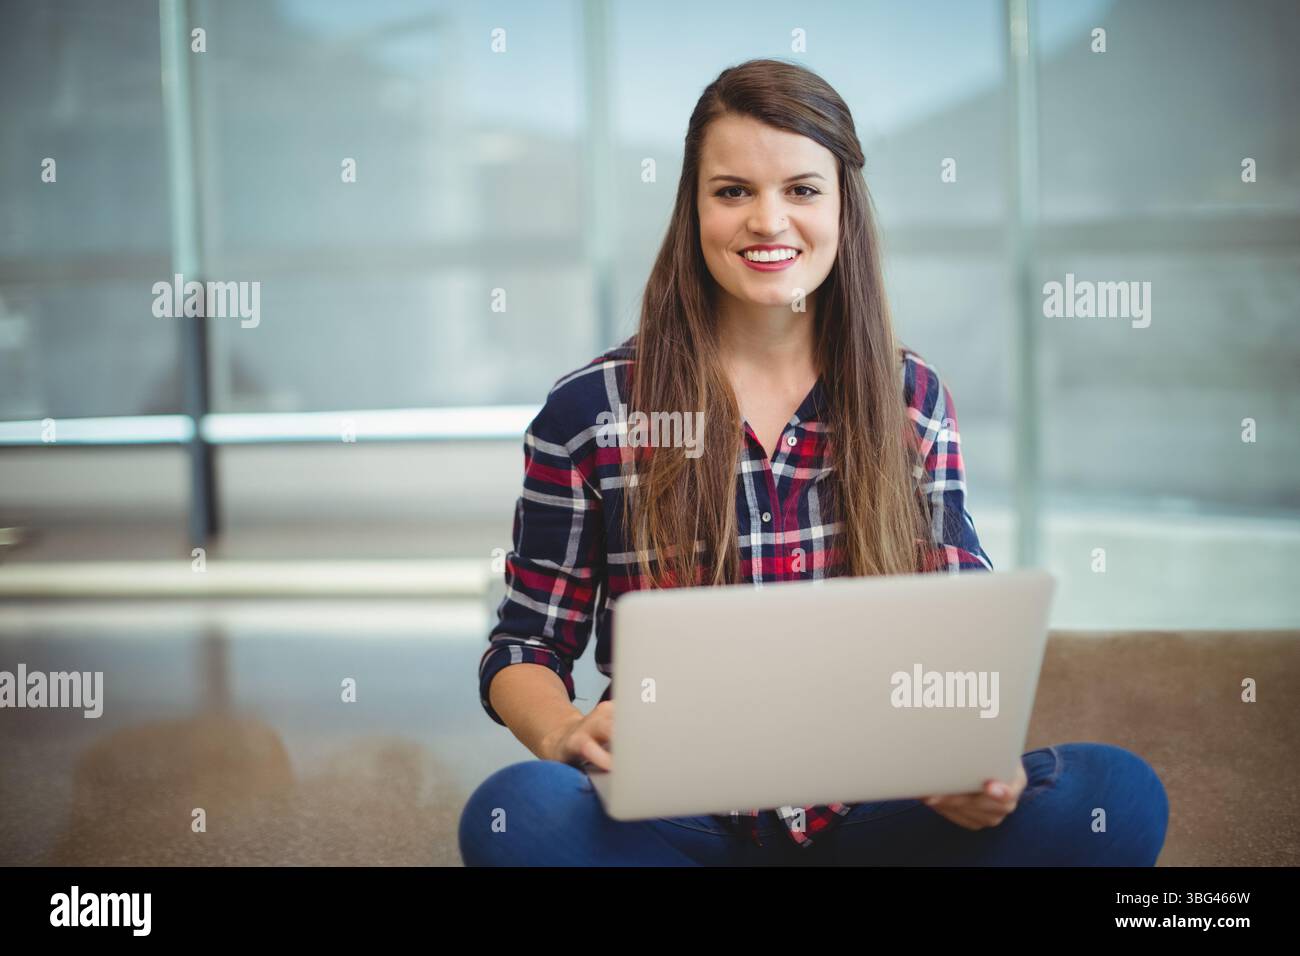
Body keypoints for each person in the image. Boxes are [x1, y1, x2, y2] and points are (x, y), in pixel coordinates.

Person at [458, 58, 1169, 866]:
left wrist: (973, 761)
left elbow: (961, 622)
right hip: (676, 815)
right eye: (733, 191)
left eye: (801, 190)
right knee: (518, 811)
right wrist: (563, 729)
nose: (768, 221)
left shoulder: (910, 397)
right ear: (693, 208)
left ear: (842, 207)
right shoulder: (591, 411)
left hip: (879, 808)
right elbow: (525, 646)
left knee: (1114, 793)